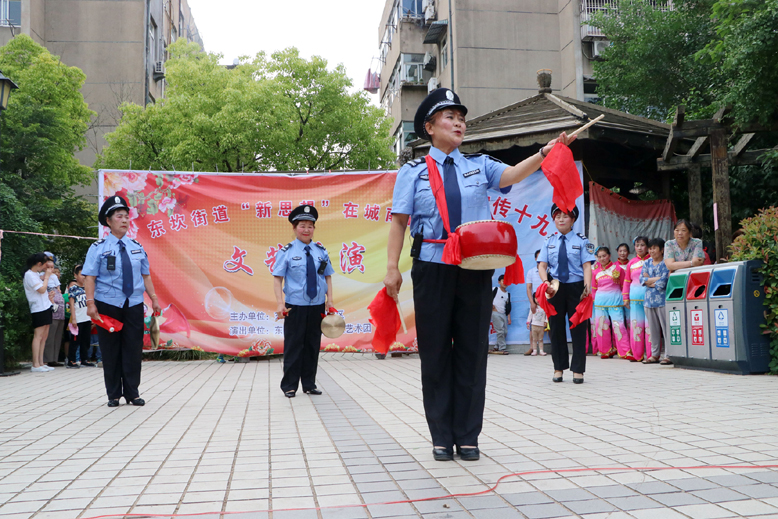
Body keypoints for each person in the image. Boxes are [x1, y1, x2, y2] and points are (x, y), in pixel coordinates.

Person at [384, 88, 575, 461]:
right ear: (429, 127)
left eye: (461, 118)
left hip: (474, 268)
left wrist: (543, 152)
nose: (459, 123)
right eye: (449, 117)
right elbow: (399, 223)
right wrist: (391, 268)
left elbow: (513, 174)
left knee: (472, 352)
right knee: (436, 352)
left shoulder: (478, 165)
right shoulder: (412, 172)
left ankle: (468, 435)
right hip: (432, 267)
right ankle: (441, 435)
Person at [83, 196, 161, 407]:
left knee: (133, 349)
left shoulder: (136, 246)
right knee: (110, 349)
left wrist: (153, 298)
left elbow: (146, 275)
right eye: (119, 216)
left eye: (127, 216)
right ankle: (114, 395)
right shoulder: (97, 248)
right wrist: (90, 303)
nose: (124, 220)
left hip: (133, 303)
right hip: (108, 305)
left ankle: (133, 393)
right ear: (108, 221)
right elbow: (89, 277)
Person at [273, 204, 335, 398]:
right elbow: (277, 277)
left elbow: (328, 276)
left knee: (312, 345)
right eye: (302, 225)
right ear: (294, 228)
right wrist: (279, 303)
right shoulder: (287, 251)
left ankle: (309, 383)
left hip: (316, 305)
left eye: (310, 226)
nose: (306, 229)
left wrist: (330, 300)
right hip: (295, 306)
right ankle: (289, 386)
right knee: (293, 345)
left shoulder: (320, 251)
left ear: (314, 229)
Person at [538, 204, 595, 384]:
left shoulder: (582, 241)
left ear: (573, 219)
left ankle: (578, 370)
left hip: (577, 287)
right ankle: (558, 368)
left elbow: (587, 266)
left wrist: (587, 288)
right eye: (557, 216)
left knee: (578, 328)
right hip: (555, 287)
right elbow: (542, 265)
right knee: (555, 328)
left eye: (565, 216)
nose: (561, 219)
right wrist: (545, 282)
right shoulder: (549, 240)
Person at [592, 246, 629, 359]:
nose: (602, 259)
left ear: (609, 256)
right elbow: (594, 288)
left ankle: (625, 351)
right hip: (599, 303)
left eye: (604, 256)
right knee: (601, 326)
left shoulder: (617, 269)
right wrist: (594, 301)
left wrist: (625, 298)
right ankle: (605, 351)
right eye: (599, 257)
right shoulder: (595, 272)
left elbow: (624, 285)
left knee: (619, 325)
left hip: (615, 301)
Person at [641, 238, 671, 364]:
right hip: (648, 300)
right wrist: (654, 280)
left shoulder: (666, 263)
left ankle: (668, 355)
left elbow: (663, 281)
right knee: (652, 329)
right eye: (650, 248)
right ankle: (654, 354)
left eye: (654, 248)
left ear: (662, 249)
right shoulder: (646, 262)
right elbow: (642, 279)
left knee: (666, 329)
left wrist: (650, 280)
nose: (652, 251)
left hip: (662, 300)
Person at [23, 252, 54, 372]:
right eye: (44, 265)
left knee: (44, 336)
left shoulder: (36, 274)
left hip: (46, 306)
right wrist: (46, 277)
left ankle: (41, 362)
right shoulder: (29, 275)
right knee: (38, 336)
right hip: (38, 308)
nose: (46, 268)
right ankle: (35, 364)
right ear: (39, 263)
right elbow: (41, 289)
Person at [622, 237, 650, 362]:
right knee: (636, 326)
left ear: (648, 247)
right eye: (637, 245)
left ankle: (651, 355)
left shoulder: (652, 260)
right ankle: (637, 354)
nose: (639, 248)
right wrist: (625, 297)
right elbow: (627, 281)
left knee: (650, 328)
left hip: (650, 300)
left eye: (642, 245)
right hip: (634, 299)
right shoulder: (631, 263)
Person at [68, 265, 95, 368]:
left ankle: (84, 359)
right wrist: (74, 318)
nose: (83, 277)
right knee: (75, 340)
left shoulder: (88, 287)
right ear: (75, 275)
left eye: (85, 274)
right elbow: (72, 304)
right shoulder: (73, 288)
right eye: (81, 274)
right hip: (78, 319)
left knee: (86, 340)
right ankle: (72, 360)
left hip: (87, 318)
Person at [524, 250, 546, 356]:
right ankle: (532, 348)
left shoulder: (549, 270)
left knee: (550, 324)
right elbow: (529, 288)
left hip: (547, 302)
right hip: (536, 302)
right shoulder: (531, 272)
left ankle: (555, 347)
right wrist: (532, 302)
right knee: (534, 325)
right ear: (535, 259)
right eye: (538, 257)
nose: (540, 259)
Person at [43, 264, 66, 367]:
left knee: (57, 336)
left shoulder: (58, 287)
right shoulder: (45, 281)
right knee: (50, 336)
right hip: (52, 314)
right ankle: (48, 359)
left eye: (57, 271)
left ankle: (55, 359)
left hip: (61, 314)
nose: (55, 273)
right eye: (52, 270)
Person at [490, 275, 512, 354]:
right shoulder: (495, 289)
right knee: (500, 331)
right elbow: (487, 297)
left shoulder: (507, 294)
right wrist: (490, 305)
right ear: (499, 282)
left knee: (504, 332)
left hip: (503, 314)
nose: (505, 283)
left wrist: (508, 317)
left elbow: (508, 306)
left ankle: (496, 346)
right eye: (503, 281)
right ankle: (502, 348)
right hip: (495, 313)